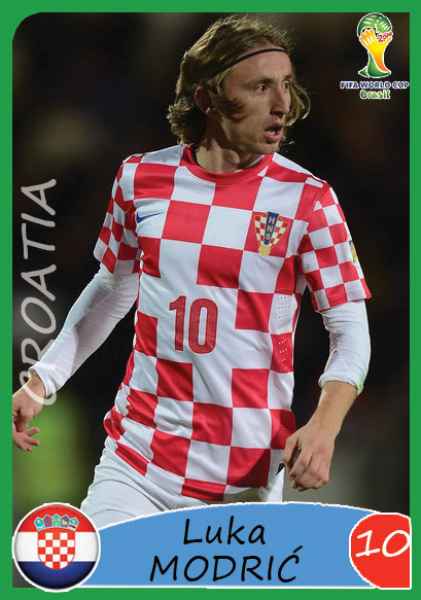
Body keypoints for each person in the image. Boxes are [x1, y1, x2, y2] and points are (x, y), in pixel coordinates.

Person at [13, 14, 371, 528]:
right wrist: (41, 381)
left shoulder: (309, 200)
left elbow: (350, 331)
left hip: (244, 476)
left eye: (287, 85)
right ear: (206, 97)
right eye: (260, 87)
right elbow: (111, 290)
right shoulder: (141, 178)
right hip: (138, 461)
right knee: (94, 570)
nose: (282, 104)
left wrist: (324, 425)